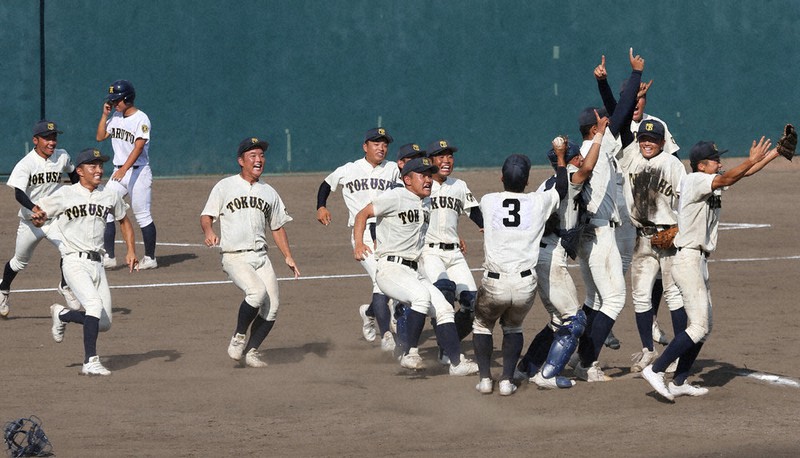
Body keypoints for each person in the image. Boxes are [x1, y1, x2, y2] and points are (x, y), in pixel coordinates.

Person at [643, 137, 779, 400]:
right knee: (698, 327)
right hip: (688, 260)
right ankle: (656, 369)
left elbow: (742, 174)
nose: (720, 163)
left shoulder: (709, 181)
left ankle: (679, 381)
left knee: (706, 327)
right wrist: (751, 158)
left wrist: (774, 154)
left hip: (699, 262)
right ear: (701, 165)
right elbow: (728, 178)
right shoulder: (695, 180)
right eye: (716, 160)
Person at [353, 157, 478, 376]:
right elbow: (363, 214)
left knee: (445, 308)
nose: (428, 180)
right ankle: (409, 353)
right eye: (423, 175)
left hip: (413, 270)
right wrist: (360, 243)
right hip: (390, 269)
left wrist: (455, 236)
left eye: (430, 175)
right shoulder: (396, 196)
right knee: (421, 297)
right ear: (407, 180)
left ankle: (457, 363)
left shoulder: (427, 202)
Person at [516, 112, 608, 389]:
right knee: (574, 319)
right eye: (576, 155)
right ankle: (548, 375)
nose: (581, 157)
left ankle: (525, 369)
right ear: (569, 160)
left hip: (541, 255)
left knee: (558, 320)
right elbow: (587, 169)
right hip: (549, 258)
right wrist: (599, 135)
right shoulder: (567, 176)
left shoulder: (547, 183)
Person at [33, 148, 139, 376]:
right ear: (79, 171)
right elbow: (40, 214)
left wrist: (131, 250)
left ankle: (62, 314)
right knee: (92, 306)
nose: (99, 169)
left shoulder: (109, 195)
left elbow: (124, 221)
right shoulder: (65, 194)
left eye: (100, 165)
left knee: (104, 323)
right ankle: (90, 361)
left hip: (97, 265)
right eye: (93, 166)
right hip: (73, 262)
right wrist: (39, 218)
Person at [595, 60, 680, 347]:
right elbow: (618, 116)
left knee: (654, 266)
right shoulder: (619, 124)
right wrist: (606, 84)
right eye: (632, 98)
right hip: (619, 196)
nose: (637, 103)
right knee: (618, 262)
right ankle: (607, 316)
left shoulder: (656, 126)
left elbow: (673, 162)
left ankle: (652, 319)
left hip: (651, 199)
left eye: (640, 98)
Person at [571, 48, 643, 382]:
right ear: (597, 126)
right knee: (613, 300)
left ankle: (572, 354)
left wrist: (603, 83)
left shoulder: (584, 151)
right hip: (600, 235)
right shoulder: (601, 145)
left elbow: (619, 113)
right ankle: (587, 363)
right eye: (604, 120)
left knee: (593, 298)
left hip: (585, 235)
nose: (609, 120)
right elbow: (625, 111)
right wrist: (635, 74)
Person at [472, 152, 567, 396]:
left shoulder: (488, 200)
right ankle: (505, 380)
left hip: (495, 283)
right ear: (526, 182)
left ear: (501, 178)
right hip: (525, 285)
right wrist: (560, 159)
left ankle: (485, 380)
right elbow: (562, 187)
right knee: (513, 328)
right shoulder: (538, 202)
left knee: (482, 326)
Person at [201, 137, 300, 368]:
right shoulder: (224, 186)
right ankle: (238, 336)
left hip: (261, 257)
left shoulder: (269, 192)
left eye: (262, 155)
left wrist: (287, 255)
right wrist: (208, 231)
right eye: (253, 155)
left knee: (272, 306)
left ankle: (252, 351)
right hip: (234, 255)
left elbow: (277, 226)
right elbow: (206, 216)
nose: (259, 160)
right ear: (241, 161)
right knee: (256, 293)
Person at [316, 128, 399, 351]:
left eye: (385, 144)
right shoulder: (350, 169)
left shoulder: (392, 169)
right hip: (362, 233)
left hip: (390, 232)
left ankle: (369, 312)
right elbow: (326, 184)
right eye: (376, 143)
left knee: (391, 281)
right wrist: (321, 206)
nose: (381, 148)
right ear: (365, 146)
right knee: (382, 280)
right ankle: (387, 336)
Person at [1, 120, 82, 318]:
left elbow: (73, 175)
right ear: (35, 140)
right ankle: (3, 290)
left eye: (53, 137)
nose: (51, 142)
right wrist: (34, 208)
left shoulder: (62, 156)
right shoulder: (26, 164)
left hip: (55, 219)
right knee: (19, 262)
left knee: (70, 251)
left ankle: (65, 286)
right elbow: (19, 193)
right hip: (32, 222)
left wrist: (78, 194)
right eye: (47, 138)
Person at [420, 139, 483, 363]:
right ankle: (448, 350)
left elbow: (474, 211)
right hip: (430, 253)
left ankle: (446, 343)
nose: (446, 160)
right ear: (430, 160)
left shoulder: (459, 185)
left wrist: (485, 228)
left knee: (473, 304)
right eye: (440, 156)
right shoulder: (422, 185)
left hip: (455, 254)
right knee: (444, 296)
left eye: (449, 156)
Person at [95, 79, 158, 270]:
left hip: (138, 172)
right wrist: (105, 115)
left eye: (116, 100)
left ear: (127, 99)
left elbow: (139, 147)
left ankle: (150, 258)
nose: (114, 104)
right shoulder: (115, 117)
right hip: (119, 171)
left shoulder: (142, 119)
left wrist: (124, 170)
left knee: (142, 215)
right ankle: (109, 256)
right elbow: (100, 137)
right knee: (105, 208)